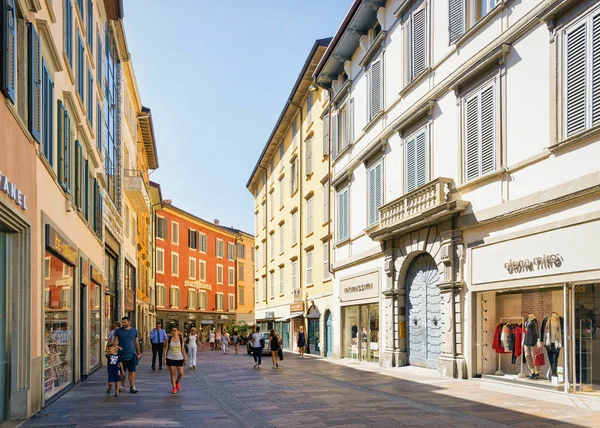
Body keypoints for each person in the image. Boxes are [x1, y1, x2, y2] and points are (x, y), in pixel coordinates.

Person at [112, 316, 140, 394]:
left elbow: (136, 342)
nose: (123, 324)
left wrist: (138, 353)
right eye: (122, 322)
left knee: (132, 371)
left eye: (125, 322)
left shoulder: (134, 331)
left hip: (132, 354)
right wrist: (114, 352)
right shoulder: (118, 331)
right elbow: (115, 342)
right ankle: (123, 385)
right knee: (122, 371)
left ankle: (132, 386)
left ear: (129, 322)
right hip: (121, 354)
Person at [163, 327, 186, 394]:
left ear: (178, 331)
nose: (173, 332)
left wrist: (185, 358)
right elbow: (165, 349)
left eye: (175, 330)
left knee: (180, 373)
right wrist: (164, 358)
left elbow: (183, 349)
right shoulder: (169, 339)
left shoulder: (181, 339)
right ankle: (174, 387)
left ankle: (177, 382)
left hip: (179, 358)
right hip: (170, 358)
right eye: (172, 330)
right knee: (173, 373)